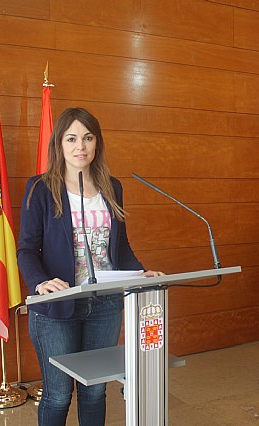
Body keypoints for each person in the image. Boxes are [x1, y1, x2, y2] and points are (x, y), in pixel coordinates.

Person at [17, 107, 164, 426]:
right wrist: (40, 282)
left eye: (87, 138)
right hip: (57, 307)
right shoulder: (41, 188)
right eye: (71, 139)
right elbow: (26, 249)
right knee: (58, 394)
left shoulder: (112, 187)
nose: (80, 146)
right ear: (59, 144)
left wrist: (141, 273)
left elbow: (120, 246)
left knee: (95, 390)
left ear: (97, 142)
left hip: (105, 304)